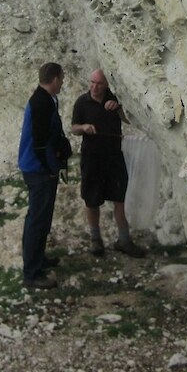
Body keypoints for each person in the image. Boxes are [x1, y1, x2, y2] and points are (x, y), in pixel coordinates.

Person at [70, 68, 146, 258]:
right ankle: (96, 239)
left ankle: (124, 240)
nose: (94, 87)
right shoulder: (82, 102)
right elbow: (74, 128)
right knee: (91, 199)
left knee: (120, 199)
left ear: (106, 85)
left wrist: (119, 107)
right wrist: (84, 128)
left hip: (114, 157)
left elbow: (130, 120)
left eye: (99, 84)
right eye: (92, 82)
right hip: (91, 158)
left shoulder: (114, 99)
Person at [17, 62, 71, 289]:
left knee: (42, 217)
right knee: (37, 220)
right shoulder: (41, 102)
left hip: (40, 167)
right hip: (38, 169)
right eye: (62, 79)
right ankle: (31, 273)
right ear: (55, 79)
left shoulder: (46, 99)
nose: (63, 83)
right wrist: (50, 169)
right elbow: (39, 144)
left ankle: (38, 259)